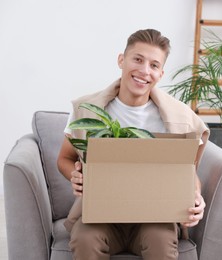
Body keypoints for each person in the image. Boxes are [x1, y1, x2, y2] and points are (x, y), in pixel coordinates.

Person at [57, 29, 210, 260]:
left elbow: (188, 172)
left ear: (161, 73)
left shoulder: (179, 118)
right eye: (138, 59)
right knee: (84, 238)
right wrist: (75, 177)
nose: (144, 71)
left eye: (154, 65)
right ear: (122, 60)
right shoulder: (88, 109)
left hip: (155, 218)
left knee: (160, 240)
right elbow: (65, 158)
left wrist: (196, 196)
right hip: (101, 216)